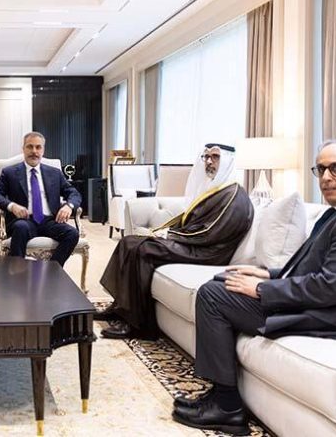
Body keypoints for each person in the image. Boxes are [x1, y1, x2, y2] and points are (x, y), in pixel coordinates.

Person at [173, 138, 336, 435]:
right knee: (223, 280)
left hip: (330, 316)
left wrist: (261, 290)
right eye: (321, 169)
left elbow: (331, 288)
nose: (326, 177)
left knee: (214, 296)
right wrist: (268, 274)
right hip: (320, 302)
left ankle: (227, 406)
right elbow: (317, 271)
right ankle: (219, 393)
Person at [98, 143, 253, 339]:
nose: (209, 162)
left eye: (215, 157)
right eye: (206, 157)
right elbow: (193, 221)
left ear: (228, 161)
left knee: (144, 250)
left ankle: (138, 325)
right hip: (195, 244)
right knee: (128, 242)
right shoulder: (217, 189)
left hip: (209, 253)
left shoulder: (233, 195)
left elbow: (210, 233)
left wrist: (170, 235)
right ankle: (119, 307)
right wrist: (165, 231)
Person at [0, 132, 82, 266]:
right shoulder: (9, 173)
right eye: (30, 147)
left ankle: (51, 270)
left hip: (50, 221)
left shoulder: (54, 173)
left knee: (72, 234)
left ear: (43, 150)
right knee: (20, 227)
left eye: (38, 147)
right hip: (24, 220)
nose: (34, 151)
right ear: (23, 149)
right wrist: (12, 206)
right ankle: (18, 272)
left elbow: (74, 193)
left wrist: (69, 206)